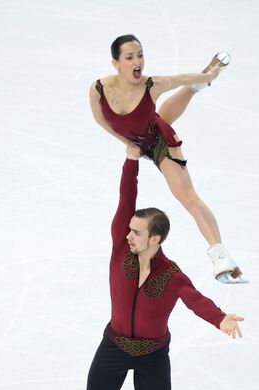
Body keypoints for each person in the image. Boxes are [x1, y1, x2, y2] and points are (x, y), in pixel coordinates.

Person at [50, 147, 244, 390]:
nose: (129, 235)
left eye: (138, 232)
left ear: (156, 239)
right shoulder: (119, 252)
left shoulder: (171, 276)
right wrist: (130, 161)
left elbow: (194, 298)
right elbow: (126, 201)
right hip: (113, 347)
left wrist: (221, 318)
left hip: (154, 356)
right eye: (130, 230)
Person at [89, 34, 247, 284]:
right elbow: (101, 121)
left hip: (161, 143)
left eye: (140, 55)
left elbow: (180, 78)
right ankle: (195, 87)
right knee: (157, 116)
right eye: (129, 57)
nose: (137, 62)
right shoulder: (99, 89)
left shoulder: (152, 85)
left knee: (188, 198)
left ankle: (220, 256)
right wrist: (128, 144)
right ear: (116, 63)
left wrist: (208, 77)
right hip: (144, 131)